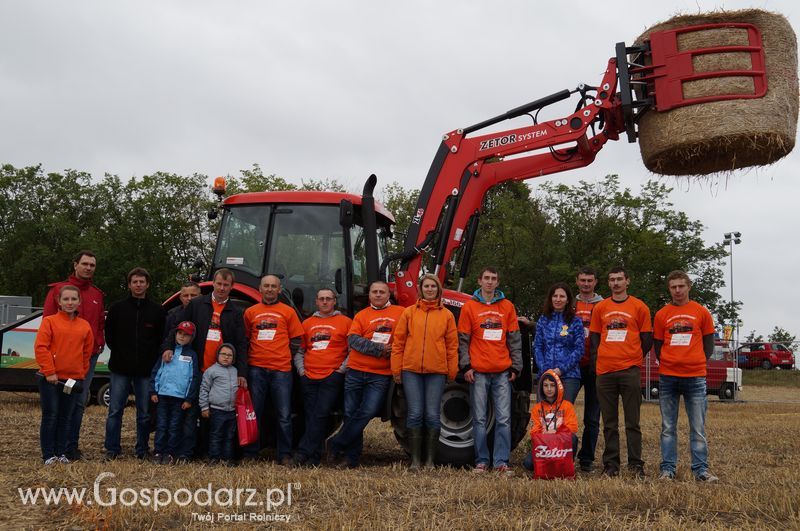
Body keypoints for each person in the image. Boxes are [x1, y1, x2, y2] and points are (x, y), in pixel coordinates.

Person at [162, 268, 248, 461]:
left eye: (226, 285)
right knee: (191, 414)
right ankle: (188, 452)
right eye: (219, 284)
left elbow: (242, 343)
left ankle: (214, 453)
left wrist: (242, 372)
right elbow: (178, 328)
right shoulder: (197, 304)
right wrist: (167, 347)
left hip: (221, 373)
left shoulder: (235, 312)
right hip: (196, 367)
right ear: (213, 284)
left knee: (217, 416)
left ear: (231, 287)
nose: (222, 288)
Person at [327, 280, 405, 468]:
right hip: (355, 371)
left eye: (382, 292)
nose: (378, 295)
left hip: (380, 374)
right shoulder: (361, 315)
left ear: (389, 295)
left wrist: (392, 349)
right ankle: (351, 459)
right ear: (369, 295)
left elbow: (405, 338)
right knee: (351, 413)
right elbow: (354, 341)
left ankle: (336, 442)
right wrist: (380, 349)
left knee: (368, 411)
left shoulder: (401, 313)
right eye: (374, 292)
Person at [653, 270, 718, 482]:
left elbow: (708, 344)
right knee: (668, 428)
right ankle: (667, 469)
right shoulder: (662, 314)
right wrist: (672, 361)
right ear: (669, 289)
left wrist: (695, 360)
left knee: (698, 428)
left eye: (681, 286)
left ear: (689, 286)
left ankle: (701, 470)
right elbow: (658, 345)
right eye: (673, 287)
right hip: (668, 377)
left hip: (695, 377)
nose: (678, 290)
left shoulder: (701, 312)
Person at [457, 266, 522, 475]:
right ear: (479, 281)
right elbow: (463, 340)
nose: (490, 282)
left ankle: (501, 461)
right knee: (480, 419)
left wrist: (516, 366)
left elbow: (514, 339)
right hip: (478, 372)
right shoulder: (469, 307)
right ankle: (482, 461)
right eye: (486, 278)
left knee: (503, 418)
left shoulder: (507, 307)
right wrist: (466, 366)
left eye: (493, 278)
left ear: (497, 282)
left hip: (502, 371)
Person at [589, 266, 652, 477]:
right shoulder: (600, 308)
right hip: (605, 372)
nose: (615, 283)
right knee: (609, 423)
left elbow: (646, 339)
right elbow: (595, 337)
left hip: (629, 371)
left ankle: (635, 464)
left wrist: (633, 358)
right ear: (608, 283)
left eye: (619, 279)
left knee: (632, 422)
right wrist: (602, 356)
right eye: (612, 280)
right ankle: (611, 464)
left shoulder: (639, 307)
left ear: (628, 281)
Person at [42, 250, 105, 461]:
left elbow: (98, 325)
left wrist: (98, 343)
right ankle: (50, 450)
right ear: (75, 264)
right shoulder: (58, 290)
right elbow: (47, 327)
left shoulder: (97, 294)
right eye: (85, 264)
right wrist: (49, 365)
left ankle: (69, 448)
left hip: (83, 362)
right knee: (54, 409)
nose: (88, 268)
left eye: (92, 265)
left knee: (76, 403)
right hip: (57, 364)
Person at [391, 274, 458, 470]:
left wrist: (451, 371)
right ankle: (415, 460)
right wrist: (397, 370)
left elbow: (452, 346)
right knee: (414, 414)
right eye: (426, 286)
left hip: (436, 371)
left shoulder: (447, 315)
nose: (430, 289)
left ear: (438, 290)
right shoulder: (409, 313)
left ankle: (429, 461)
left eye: (433, 286)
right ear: (420, 290)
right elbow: (399, 343)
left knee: (431, 415)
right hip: (411, 370)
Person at [104, 267, 166, 460]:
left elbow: (160, 338)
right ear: (129, 284)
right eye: (134, 282)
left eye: (142, 282)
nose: (138, 285)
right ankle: (112, 449)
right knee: (115, 411)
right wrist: (122, 354)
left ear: (147, 284)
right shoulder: (117, 309)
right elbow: (110, 338)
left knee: (144, 413)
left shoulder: (157, 311)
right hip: (120, 369)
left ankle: (142, 449)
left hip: (146, 371)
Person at [242, 274, 304, 465]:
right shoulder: (250, 312)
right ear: (260, 289)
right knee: (255, 413)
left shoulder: (288, 312)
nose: (269, 289)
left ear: (279, 290)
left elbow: (296, 339)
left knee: (284, 415)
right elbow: (245, 338)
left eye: (273, 286)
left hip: (281, 370)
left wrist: (283, 353)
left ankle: (284, 454)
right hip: (256, 369)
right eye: (266, 286)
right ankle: (251, 453)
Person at [35, 285, 94, 464]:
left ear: (79, 302)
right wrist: (50, 372)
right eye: (66, 299)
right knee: (50, 415)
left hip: (71, 380)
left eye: (73, 299)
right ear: (59, 302)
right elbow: (41, 347)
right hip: (51, 380)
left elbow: (86, 353)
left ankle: (61, 453)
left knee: (65, 416)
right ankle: (48, 455)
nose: (70, 302)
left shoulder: (84, 326)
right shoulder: (50, 322)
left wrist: (81, 373)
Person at [293, 288, 352, 467]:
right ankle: (314, 458)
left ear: (335, 301)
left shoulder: (346, 322)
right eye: (321, 299)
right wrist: (301, 371)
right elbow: (300, 352)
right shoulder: (307, 323)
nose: (325, 302)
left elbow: (352, 351)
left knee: (320, 414)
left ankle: (302, 453)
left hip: (331, 376)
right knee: (312, 416)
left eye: (328, 298)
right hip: (309, 376)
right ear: (316, 302)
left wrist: (340, 371)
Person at [149, 321, 200, 464]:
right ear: (175, 334)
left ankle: (170, 453)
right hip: (163, 396)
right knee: (161, 425)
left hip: (179, 399)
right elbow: (157, 372)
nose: (182, 337)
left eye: (186, 335)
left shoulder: (192, 355)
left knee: (174, 426)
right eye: (180, 333)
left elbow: (193, 378)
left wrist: (189, 399)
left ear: (192, 338)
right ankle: (158, 451)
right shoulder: (167, 353)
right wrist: (153, 391)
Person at [573, 266, 604, 472]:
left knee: (592, 417)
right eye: (583, 280)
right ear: (577, 281)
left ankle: (586, 460)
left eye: (589, 280)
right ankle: (561, 453)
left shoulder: (603, 305)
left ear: (595, 282)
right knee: (563, 411)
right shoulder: (570, 303)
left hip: (595, 367)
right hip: (573, 366)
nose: (586, 284)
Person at [533, 282, 584, 403]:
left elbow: (579, 349)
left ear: (567, 300)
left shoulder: (575, 321)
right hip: (546, 375)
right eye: (555, 296)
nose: (558, 299)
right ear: (550, 298)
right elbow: (538, 347)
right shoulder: (543, 320)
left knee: (563, 415)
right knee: (545, 415)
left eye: (562, 296)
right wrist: (546, 369)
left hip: (569, 376)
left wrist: (561, 369)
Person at [522, 370, 578, 472]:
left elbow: (573, 428)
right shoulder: (537, 408)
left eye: (552, 385)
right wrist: (545, 433)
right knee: (528, 463)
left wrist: (556, 432)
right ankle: (549, 465)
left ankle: (565, 464)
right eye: (545, 385)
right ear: (541, 387)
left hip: (561, 446)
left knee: (573, 438)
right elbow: (533, 432)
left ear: (558, 387)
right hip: (544, 445)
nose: (549, 389)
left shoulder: (567, 406)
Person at [199, 343, 239, 466]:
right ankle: (214, 458)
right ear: (218, 355)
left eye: (229, 355)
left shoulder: (235, 371)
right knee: (216, 435)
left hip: (231, 410)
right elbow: (204, 389)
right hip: (217, 410)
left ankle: (226, 458)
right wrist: (204, 407)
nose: (226, 357)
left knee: (229, 436)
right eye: (223, 354)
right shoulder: (211, 371)